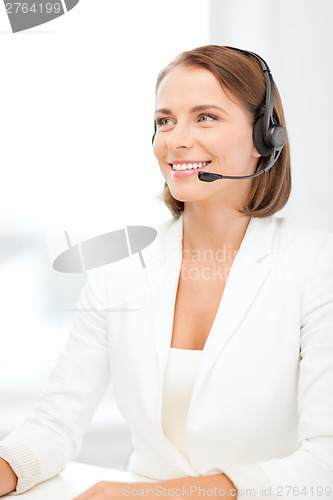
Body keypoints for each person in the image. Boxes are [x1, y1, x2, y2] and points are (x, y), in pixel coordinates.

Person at [0, 45, 333, 500]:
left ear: (264, 138)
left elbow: (324, 464)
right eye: (165, 120)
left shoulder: (315, 265)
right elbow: (55, 425)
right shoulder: (121, 267)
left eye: (205, 117)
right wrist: (8, 469)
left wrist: (152, 496)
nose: (176, 140)